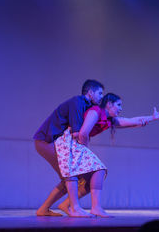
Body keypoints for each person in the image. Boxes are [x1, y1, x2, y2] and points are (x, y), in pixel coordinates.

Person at [54, 93, 159, 218]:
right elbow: (83, 132)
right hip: (70, 141)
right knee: (98, 169)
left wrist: (152, 117)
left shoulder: (109, 120)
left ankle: (66, 204)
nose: (121, 108)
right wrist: (84, 149)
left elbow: (131, 121)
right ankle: (95, 208)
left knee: (93, 176)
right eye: (118, 105)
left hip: (75, 143)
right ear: (109, 104)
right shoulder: (96, 111)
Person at [33, 79, 104, 217]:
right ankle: (75, 208)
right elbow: (77, 133)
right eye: (100, 93)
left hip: (48, 141)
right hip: (45, 141)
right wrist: (86, 150)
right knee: (70, 173)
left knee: (68, 177)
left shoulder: (84, 106)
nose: (101, 96)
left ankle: (43, 209)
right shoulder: (77, 102)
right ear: (90, 92)